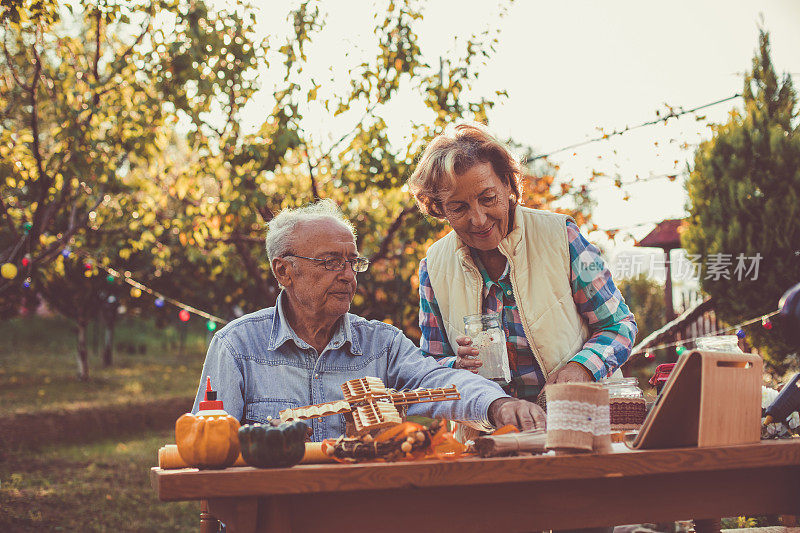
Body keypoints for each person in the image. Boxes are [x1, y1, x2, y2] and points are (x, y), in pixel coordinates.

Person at [192, 199, 544, 442]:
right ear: (284, 271)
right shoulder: (236, 346)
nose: (348, 275)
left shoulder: (382, 345)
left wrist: (497, 405)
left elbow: (440, 381)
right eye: (331, 261)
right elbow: (208, 449)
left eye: (352, 262)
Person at [408, 122, 638, 406]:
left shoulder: (562, 237)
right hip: (489, 432)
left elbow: (618, 326)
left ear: (507, 184)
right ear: (440, 209)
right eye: (458, 207)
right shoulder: (434, 267)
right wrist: (455, 367)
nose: (479, 219)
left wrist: (581, 368)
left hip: (580, 416)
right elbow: (429, 366)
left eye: (488, 198)